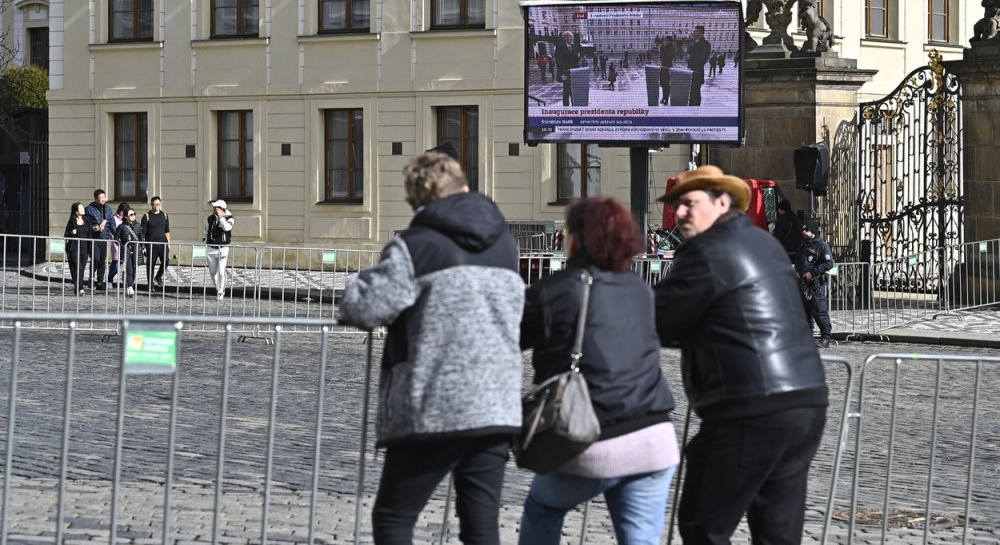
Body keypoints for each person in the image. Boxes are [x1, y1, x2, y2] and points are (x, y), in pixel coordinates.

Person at [338, 152, 524, 544]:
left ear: (415, 202)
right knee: (481, 524)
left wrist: (356, 283)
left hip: (436, 404)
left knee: (394, 517)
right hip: (497, 404)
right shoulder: (505, 245)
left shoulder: (414, 246)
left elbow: (366, 307)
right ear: (466, 189)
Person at [653, 165, 829, 544]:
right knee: (777, 534)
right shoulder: (763, 243)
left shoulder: (705, 251)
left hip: (750, 407)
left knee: (703, 525)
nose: (679, 213)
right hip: (805, 401)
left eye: (689, 203)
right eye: (675, 205)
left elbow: (660, 320)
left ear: (722, 202)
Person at [518, 197, 679, 544]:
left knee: (542, 509)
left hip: (592, 438)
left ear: (576, 238)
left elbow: (508, 338)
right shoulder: (640, 290)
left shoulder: (555, 290)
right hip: (655, 439)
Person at [796, 219, 835, 348]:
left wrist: (812, 273)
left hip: (815, 284)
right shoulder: (804, 244)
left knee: (819, 311)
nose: (804, 232)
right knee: (804, 312)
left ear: (813, 231)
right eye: (803, 230)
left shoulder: (821, 246)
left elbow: (829, 263)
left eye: (806, 230)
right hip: (803, 284)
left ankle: (826, 338)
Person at [84, 189, 116, 291]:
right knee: (96, 258)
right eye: (100, 198)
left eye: (104, 197)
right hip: (94, 238)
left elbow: (111, 223)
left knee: (102, 261)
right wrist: (94, 228)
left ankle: (100, 281)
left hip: (104, 238)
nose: (103, 199)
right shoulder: (89, 209)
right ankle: (91, 278)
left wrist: (116, 234)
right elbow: (86, 223)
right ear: (96, 199)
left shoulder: (108, 209)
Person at [204, 199, 236, 300]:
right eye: (214, 208)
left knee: (221, 271)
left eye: (216, 208)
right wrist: (205, 242)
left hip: (223, 248)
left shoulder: (229, 218)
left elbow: (226, 228)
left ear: (222, 209)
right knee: (213, 272)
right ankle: (219, 288)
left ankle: (221, 291)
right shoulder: (210, 218)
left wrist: (221, 217)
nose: (214, 209)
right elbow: (206, 230)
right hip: (211, 248)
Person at [141, 196, 171, 291]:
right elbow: (143, 233)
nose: (156, 207)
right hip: (151, 245)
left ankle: (158, 276)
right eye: (154, 205)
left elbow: (167, 230)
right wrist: (144, 246)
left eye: (157, 204)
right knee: (150, 265)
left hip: (163, 243)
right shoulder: (147, 216)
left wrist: (169, 243)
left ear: (160, 204)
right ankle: (150, 285)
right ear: (151, 205)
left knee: (166, 261)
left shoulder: (164, 215)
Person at [64, 202, 93, 296]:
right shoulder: (72, 221)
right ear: (76, 212)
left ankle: (78, 288)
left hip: (84, 249)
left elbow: (90, 236)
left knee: (82, 269)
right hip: (74, 248)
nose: (83, 209)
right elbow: (66, 235)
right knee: (77, 268)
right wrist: (71, 232)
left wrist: (90, 249)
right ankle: (80, 288)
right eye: (81, 208)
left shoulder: (87, 221)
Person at [114, 205, 142, 297]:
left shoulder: (138, 226)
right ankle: (130, 286)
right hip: (126, 250)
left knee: (134, 269)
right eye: (131, 215)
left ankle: (130, 285)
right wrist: (122, 245)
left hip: (136, 250)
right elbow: (116, 239)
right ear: (126, 217)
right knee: (128, 269)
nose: (133, 216)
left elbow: (141, 239)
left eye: (134, 214)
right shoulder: (122, 227)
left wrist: (143, 247)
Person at [107, 202, 130, 289]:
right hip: (117, 244)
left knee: (127, 265)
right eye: (122, 212)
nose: (124, 214)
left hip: (127, 245)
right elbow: (111, 230)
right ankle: (109, 280)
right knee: (116, 264)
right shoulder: (114, 219)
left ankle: (127, 283)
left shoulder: (128, 219)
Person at [686, 25, 711, 106]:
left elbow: (704, 59)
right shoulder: (693, 43)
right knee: (692, 93)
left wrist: (691, 58)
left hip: (698, 72)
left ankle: (696, 110)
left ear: (700, 33)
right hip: (691, 71)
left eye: (695, 31)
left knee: (696, 93)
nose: (693, 33)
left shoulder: (705, 44)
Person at [554, 30, 580, 106]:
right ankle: (566, 106)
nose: (570, 38)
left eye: (571, 37)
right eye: (568, 37)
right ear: (564, 38)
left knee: (573, 89)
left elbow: (576, 59)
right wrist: (564, 70)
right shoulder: (560, 47)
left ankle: (574, 104)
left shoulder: (573, 46)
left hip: (574, 72)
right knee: (566, 89)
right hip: (565, 72)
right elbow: (558, 60)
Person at [659, 36, 676, 104]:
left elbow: (669, 57)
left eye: (667, 40)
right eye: (665, 40)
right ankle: (663, 97)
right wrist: (663, 47)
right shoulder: (663, 47)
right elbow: (661, 57)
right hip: (663, 67)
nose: (665, 41)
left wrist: (664, 50)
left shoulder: (672, 48)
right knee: (663, 84)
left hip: (668, 67)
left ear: (670, 41)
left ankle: (666, 99)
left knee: (667, 85)